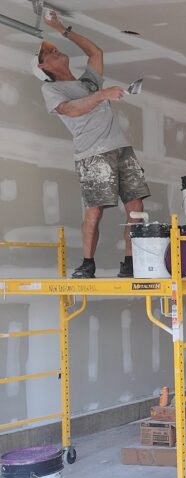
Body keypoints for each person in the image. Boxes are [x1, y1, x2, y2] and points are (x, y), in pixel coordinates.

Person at [36, 11, 149, 279]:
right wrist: (102, 95)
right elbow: (70, 110)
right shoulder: (52, 90)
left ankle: (129, 263)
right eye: (48, 53)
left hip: (121, 149)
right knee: (95, 211)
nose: (54, 50)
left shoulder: (87, 83)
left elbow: (95, 52)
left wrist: (62, 29)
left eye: (53, 47)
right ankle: (87, 264)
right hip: (93, 154)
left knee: (136, 208)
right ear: (43, 67)